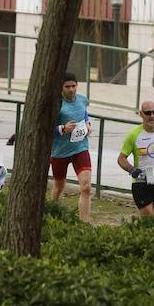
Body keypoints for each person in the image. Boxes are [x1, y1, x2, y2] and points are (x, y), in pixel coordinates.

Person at [117, 101, 154, 216]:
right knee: (149, 221)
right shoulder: (133, 135)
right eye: (148, 113)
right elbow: (121, 159)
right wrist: (131, 169)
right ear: (141, 114)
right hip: (141, 184)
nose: (152, 116)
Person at [50, 72, 92, 222]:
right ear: (61, 88)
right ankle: (51, 215)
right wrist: (62, 128)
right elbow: (47, 127)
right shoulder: (56, 103)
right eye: (67, 86)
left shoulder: (82, 100)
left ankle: (85, 223)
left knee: (86, 187)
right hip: (60, 151)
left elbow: (84, 113)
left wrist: (88, 124)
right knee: (59, 187)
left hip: (80, 147)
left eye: (73, 86)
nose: (71, 89)